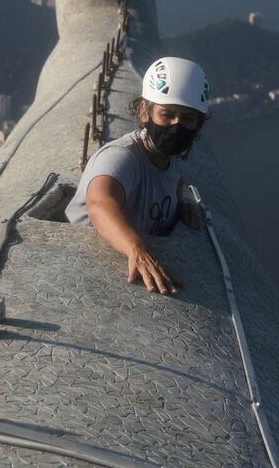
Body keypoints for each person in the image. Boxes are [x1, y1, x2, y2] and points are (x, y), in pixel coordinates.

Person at [66, 56, 211, 295]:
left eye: (188, 119)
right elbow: (100, 202)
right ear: (145, 111)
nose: (177, 126)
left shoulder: (171, 157)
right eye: (167, 114)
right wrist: (136, 249)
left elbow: (172, 181)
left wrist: (178, 204)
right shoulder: (122, 157)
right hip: (83, 270)